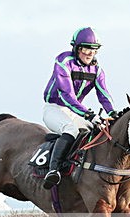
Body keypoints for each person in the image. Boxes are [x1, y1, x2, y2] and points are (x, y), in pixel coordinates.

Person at [41, 26, 117, 189]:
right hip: (54, 108)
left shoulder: (97, 70)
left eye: (94, 50)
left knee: (97, 131)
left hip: (75, 112)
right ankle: (53, 170)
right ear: (77, 48)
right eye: (86, 49)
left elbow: (104, 94)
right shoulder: (64, 62)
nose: (90, 53)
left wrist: (112, 113)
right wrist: (89, 115)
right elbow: (66, 95)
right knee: (70, 130)